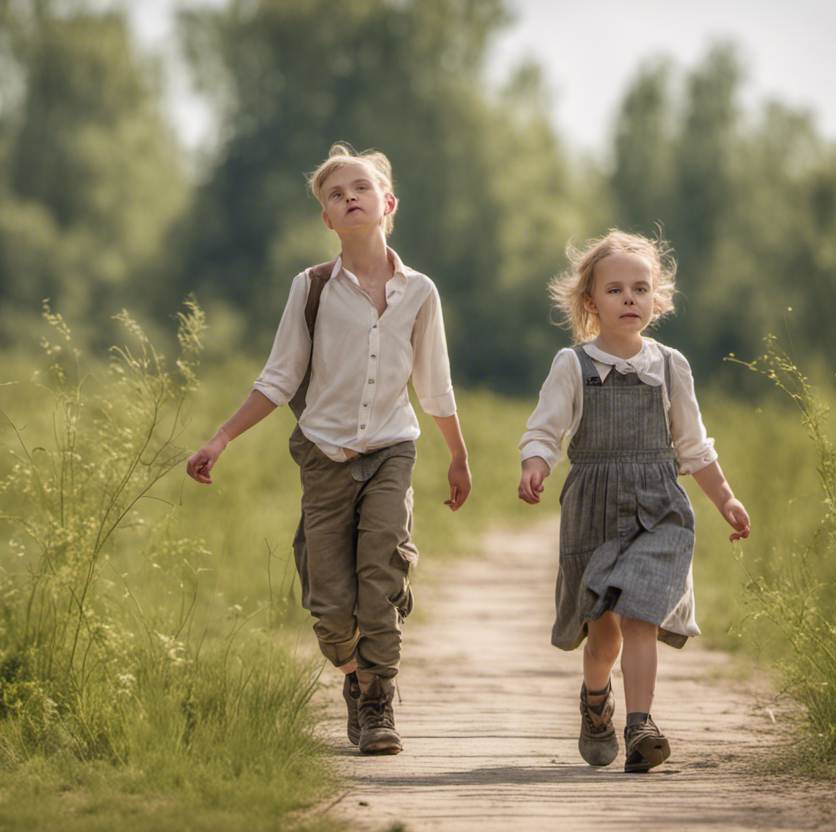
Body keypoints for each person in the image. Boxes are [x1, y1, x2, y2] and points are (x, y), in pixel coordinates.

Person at [186, 143, 471, 756]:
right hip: (323, 454)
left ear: (387, 203)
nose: (349, 198)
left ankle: (378, 702)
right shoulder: (311, 288)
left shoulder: (420, 292)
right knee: (330, 607)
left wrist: (458, 455)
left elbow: (434, 382)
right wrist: (222, 437)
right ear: (327, 219)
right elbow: (279, 378)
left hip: (392, 449)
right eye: (336, 195)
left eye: (360, 188)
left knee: (378, 575)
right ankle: (354, 672)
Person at [517, 229, 749, 772]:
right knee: (603, 636)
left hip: (659, 507)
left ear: (657, 298)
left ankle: (641, 723)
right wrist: (535, 464)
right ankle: (596, 700)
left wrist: (727, 499)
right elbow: (545, 431)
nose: (629, 298)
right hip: (594, 509)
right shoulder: (572, 365)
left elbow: (693, 446)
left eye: (640, 288)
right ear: (590, 301)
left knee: (641, 614)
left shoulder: (670, 366)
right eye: (616, 289)